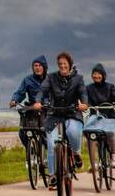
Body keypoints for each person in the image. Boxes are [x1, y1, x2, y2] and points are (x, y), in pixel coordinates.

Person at [32, 51, 88, 188]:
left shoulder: (78, 79)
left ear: (70, 64)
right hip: (54, 114)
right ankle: (53, 176)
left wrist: (84, 104)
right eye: (60, 64)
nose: (62, 66)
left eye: (65, 63)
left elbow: (83, 93)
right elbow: (42, 90)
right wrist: (38, 101)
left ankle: (76, 153)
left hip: (72, 113)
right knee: (51, 144)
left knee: (73, 132)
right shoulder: (51, 77)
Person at [8, 55, 49, 168]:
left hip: (47, 109)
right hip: (32, 109)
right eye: (35, 65)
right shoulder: (27, 80)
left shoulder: (50, 79)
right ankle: (30, 153)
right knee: (23, 131)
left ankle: (46, 154)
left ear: (44, 67)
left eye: (40, 65)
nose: (37, 68)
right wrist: (14, 100)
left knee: (47, 133)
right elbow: (20, 92)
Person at [84, 63, 115, 174]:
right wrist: (85, 105)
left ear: (103, 75)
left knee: (111, 134)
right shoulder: (88, 88)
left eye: (99, 74)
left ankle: (114, 156)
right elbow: (85, 100)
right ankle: (93, 163)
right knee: (90, 136)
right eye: (94, 74)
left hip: (109, 117)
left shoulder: (110, 87)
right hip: (94, 117)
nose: (96, 76)